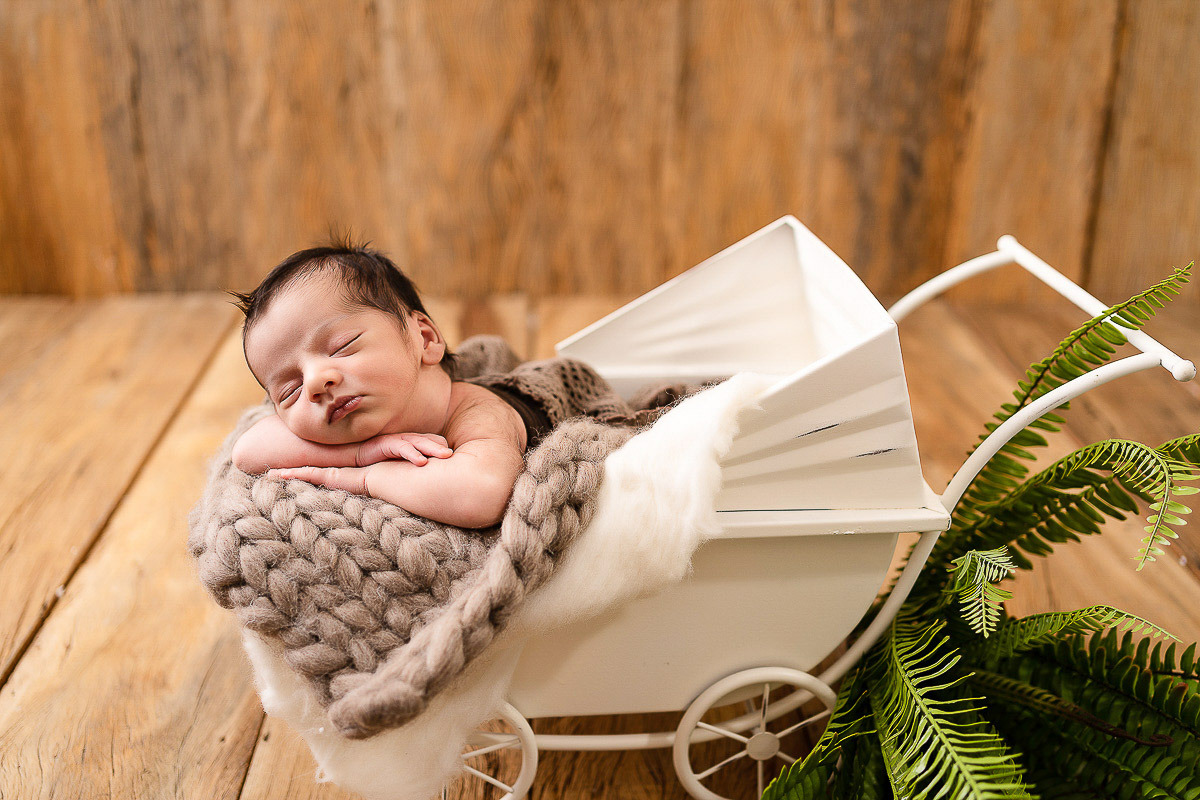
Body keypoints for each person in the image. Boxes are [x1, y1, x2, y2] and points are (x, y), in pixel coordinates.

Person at [227, 241, 550, 529]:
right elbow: (248, 452)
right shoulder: (344, 425)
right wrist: (362, 453)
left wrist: (364, 477)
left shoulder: (477, 410)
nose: (314, 383)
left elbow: (482, 494)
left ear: (424, 338)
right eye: (290, 391)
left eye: (342, 346)